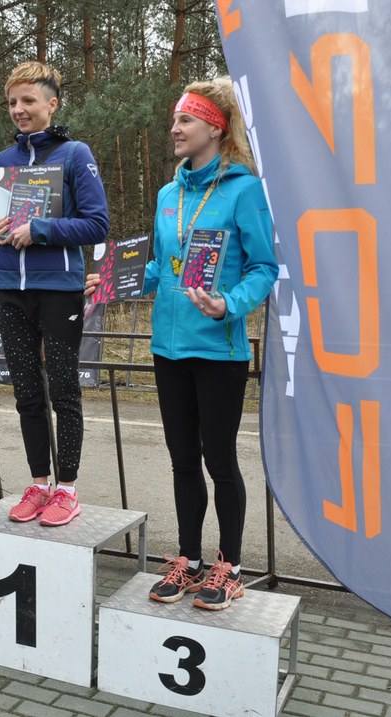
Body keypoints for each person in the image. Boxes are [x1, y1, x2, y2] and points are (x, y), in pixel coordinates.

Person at [142, 77, 279, 609]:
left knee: (219, 459)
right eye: (174, 120)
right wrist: (114, 282)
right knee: (182, 459)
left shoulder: (244, 191)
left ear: (216, 128)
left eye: (186, 120)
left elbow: (264, 267)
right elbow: (162, 265)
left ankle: (230, 567)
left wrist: (230, 304)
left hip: (219, 351)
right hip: (168, 348)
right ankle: (189, 560)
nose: (174, 129)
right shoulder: (167, 195)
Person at [0, 60, 110, 527]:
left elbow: (97, 225)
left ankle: (68, 490)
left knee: (63, 390)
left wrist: (39, 230)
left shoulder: (75, 154)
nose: (19, 109)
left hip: (58, 289)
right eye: (12, 102)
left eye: (28, 100)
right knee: (25, 393)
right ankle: (39, 484)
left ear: (52, 103)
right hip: (9, 290)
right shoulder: (5, 160)